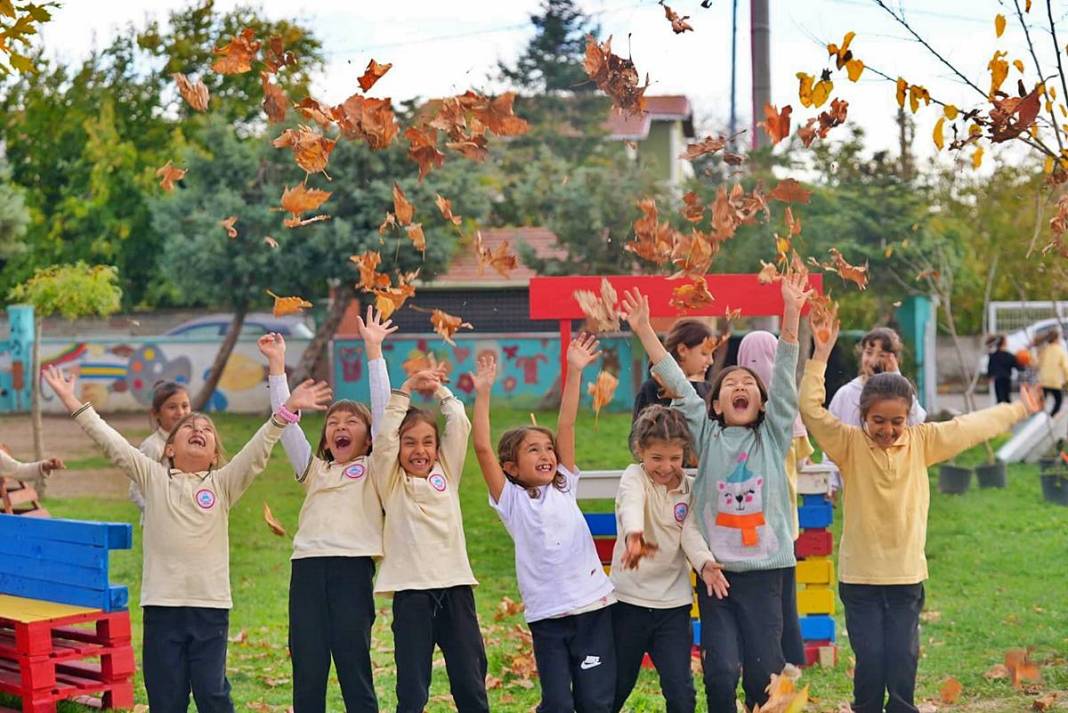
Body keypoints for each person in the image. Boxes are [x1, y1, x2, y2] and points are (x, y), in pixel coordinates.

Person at [42, 364, 331, 713]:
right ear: (168, 449)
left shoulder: (223, 484)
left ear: (214, 454)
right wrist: (71, 398)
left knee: (212, 694)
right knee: (166, 699)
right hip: (162, 608)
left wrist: (285, 411)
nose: (198, 428)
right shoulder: (153, 477)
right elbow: (110, 441)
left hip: (209, 609)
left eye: (206, 429)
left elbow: (259, 448)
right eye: (189, 428)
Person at [799, 311, 1041, 713]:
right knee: (872, 659)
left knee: (903, 659)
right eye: (878, 420)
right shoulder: (848, 444)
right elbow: (810, 408)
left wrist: (1016, 410)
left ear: (908, 417)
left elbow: (970, 426)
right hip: (859, 576)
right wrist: (820, 354)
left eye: (896, 421)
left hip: (906, 574)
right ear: (863, 416)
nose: (888, 429)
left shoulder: (922, 441)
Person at [621, 268, 810, 712]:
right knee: (721, 669)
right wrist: (646, 329)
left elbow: (784, 376)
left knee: (765, 671)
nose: (740, 386)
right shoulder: (706, 435)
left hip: (764, 574)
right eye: (730, 385)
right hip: (717, 575)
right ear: (717, 403)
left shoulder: (773, 434)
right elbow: (677, 381)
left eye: (748, 384)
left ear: (762, 403)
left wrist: (790, 311)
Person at [258, 306, 395, 713]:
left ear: (369, 439)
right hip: (307, 571)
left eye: (352, 422)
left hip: (351, 571)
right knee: (308, 670)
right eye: (334, 421)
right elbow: (287, 428)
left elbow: (386, 415)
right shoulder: (314, 470)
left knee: (354, 669)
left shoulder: (374, 468)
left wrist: (374, 352)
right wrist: (278, 368)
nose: (340, 426)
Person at [473, 334, 616, 713]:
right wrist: (483, 392)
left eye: (548, 448)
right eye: (532, 449)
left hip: (593, 609)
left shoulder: (564, 486)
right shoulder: (512, 502)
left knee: (596, 702)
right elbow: (483, 448)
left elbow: (566, 424)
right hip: (548, 619)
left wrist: (574, 371)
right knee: (557, 704)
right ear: (511, 468)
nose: (546, 454)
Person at [369, 367, 489, 713]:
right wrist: (405, 389)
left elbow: (459, 426)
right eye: (410, 443)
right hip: (412, 596)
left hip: (456, 590)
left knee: (470, 683)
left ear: (437, 448)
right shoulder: (391, 483)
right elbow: (384, 441)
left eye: (427, 442)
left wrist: (441, 392)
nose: (419, 450)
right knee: (412, 690)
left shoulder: (446, 473)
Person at [610, 405, 706, 713]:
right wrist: (634, 536)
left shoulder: (688, 488)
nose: (666, 467)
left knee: (680, 691)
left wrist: (705, 564)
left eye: (675, 459)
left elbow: (690, 532)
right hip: (629, 603)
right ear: (640, 450)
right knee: (616, 685)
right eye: (657, 458)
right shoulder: (633, 478)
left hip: (673, 607)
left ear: (685, 454)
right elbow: (631, 506)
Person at [736, 330, 811, 666]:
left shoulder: (737, 410)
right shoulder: (786, 411)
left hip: (743, 525)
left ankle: (756, 659)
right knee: (784, 602)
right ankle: (790, 661)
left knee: (754, 601)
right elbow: (805, 455)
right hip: (784, 524)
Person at [826, 328, 927, 496]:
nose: (873, 360)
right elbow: (831, 438)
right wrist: (831, 482)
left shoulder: (902, 394)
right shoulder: (846, 394)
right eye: (869, 352)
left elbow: (917, 423)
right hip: (858, 483)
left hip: (896, 482)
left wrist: (895, 376)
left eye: (882, 355)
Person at [632, 318, 718, 421]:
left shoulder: (708, 390)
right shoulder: (651, 390)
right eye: (704, 353)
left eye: (712, 354)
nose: (711, 361)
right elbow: (639, 433)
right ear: (682, 350)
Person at [130, 381, 191, 521]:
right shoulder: (152, 446)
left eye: (185, 406)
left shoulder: (193, 443)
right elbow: (135, 491)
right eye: (172, 407)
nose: (181, 412)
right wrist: (159, 514)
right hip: (159, 527)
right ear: (156, 413)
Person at [1035, 328, 1068, 416]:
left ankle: (1039, 418)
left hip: (1044, 381)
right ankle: (1051, 417)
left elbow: (1037, 364)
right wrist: (1066, 380)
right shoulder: (1060, 351)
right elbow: (1065, 367)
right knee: (1058, 401)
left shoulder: (1044, 349)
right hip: (1055, 382)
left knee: (1041, 402)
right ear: (1057, 339)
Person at [985, 334, 1021, 405]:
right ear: (1004, 343)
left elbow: (990, 367)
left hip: (998, 379)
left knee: (1000, 398)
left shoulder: (993, 356)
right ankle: (1007, 411)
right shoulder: (1010, 356)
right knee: (1006, 396)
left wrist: (989, 376)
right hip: (1006, 378)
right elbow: (1018, 366)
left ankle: (1001, 410)